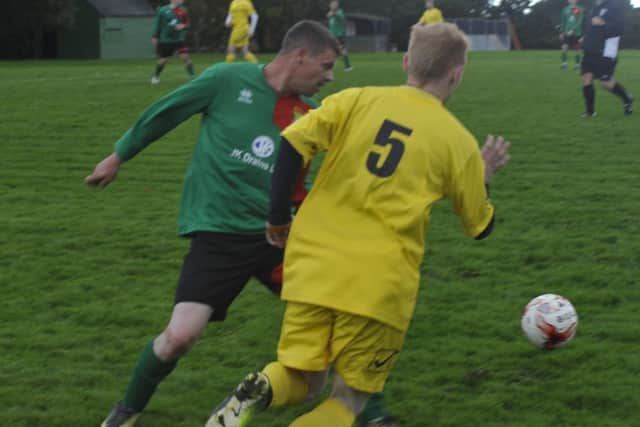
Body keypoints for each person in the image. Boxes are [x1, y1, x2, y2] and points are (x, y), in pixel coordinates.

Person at [207, 23, 511, 427]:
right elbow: (480, 225)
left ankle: (261, 387)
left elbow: (292, 143)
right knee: (348, 400)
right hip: (378, 282)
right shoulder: (458, 143)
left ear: (406, 63)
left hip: (313, 264)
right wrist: (483, 175)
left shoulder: (354, 99)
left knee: (300, 377)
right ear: (456, 75)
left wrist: (278, 217)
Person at [89, 20, 339, 427]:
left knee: (338, 317)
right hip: (219, 236)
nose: (329, 76)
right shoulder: (227, 80)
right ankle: (127, 410)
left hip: (278, 237)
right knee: (179, 337)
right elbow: (166, 112)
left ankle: (369, 412)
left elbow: (304, 180)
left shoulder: (308, 114)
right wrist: (118, 155)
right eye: (325, 65)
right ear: (300, 56)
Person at [580, 0, 633, 117]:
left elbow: (620, 28)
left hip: (605, 50)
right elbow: (590, 26)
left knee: (605, 83)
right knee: (586, 77)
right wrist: (585, 37)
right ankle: (590, 112)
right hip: (590, 49)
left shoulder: (614, 6)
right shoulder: (595, 8)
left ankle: (627, 98)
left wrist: (603, 22)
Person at [150, 0, 195, 85]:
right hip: (166, 40)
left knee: (185, 57)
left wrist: (183, 26)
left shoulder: (183, 10)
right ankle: (156, 77)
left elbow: (187, 24)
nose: (181, 1)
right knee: (163, 60)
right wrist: (155, 36)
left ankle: (192, 77)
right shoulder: (163, 10)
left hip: (179, 39)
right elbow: (158, 24)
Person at [327, 1, 352, 72]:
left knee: (342, 50)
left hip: (339, 35)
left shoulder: (339, 11)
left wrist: (334, 13)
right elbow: (328, 16)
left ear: (337, 5)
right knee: (331, 50)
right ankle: (332, 64)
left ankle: (348, 66)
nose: (333, 5)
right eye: (332, 4)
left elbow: (341, 17)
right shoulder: (330, 13)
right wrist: (331, 13)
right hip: (332, 35)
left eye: (335, 4)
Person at [559, 0, 584, 69]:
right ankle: (564, 64)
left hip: (576, 33)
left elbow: (579, 21)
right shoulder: (565, 9)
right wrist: (561, 32)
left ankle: (577, 65)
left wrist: (573, 30)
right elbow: (563, 21)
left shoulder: (580, 9)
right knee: (564, 47)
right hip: (566, 32)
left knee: (577, 49)